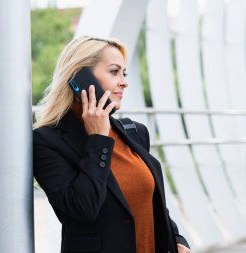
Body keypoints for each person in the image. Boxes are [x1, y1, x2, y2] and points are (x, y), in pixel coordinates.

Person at [33, 35, 191, 253]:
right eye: (114, 72)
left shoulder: (135, 133)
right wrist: (97, 139)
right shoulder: (47, 141)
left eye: (124, 73)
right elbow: (82, 209)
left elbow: (152, 204)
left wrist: (177, 240)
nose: (124, 81)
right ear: (81, 77)